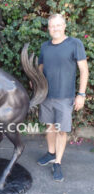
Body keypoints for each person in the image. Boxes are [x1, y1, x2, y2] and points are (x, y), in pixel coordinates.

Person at [37, 14, 89, 182]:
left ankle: (57, 162)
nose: (55, 29)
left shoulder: (75, 44)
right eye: (52, 26)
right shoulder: (45, 47)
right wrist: (37, 83)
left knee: (61, 130)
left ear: (64, 26)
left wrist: (81, 94)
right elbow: (40, 68)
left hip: (65, 98)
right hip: (46, 97)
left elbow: (84, 70)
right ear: (49, 28)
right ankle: (51, 153)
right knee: (49, 127)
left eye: (58, 25)